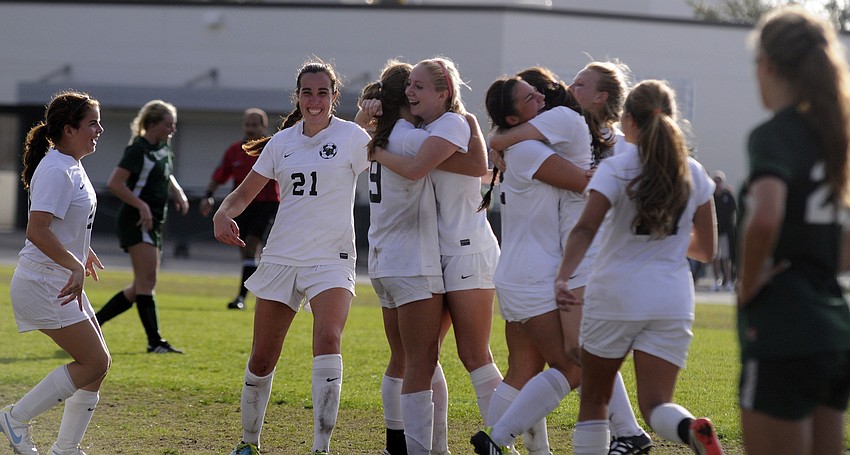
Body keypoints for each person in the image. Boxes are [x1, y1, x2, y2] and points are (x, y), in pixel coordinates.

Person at [484, 67, 652, 455]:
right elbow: (584, 181)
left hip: (538, 268)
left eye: (579, 84)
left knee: (527, 369)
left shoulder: (558, 135)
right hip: (545, 270)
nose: (555, 93)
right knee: (579, 363)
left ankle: (508, 443)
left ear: (602, 98)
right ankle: (625, 432)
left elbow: (503, 138)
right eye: (532, 97)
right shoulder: (552, 129)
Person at [554, 80, 722, 455]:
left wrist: (564, 275)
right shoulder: (694, 172)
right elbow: (708, 251)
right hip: (672, 298)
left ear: (628, 120)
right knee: (656, 404)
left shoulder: (617, 168)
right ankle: (691, 428)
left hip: (616, 293)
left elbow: (585, 228)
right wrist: (671, 240)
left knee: (594, 398)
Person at [213, 59, 371, 455]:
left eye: (322, 93)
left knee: (329, 338)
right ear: (297, 96)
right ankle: (249, 443)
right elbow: (244, 194)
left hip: (331, 259)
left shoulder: (353, 137)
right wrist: (222, 212)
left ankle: (321, 447)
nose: (314, 100)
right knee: (262, 357)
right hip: (282, 257)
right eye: (307, 92)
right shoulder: (282, 143)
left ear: (335, 97)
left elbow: (393, 167)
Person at [371, 57, 501, 455]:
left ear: (443, 93)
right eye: (408, 86)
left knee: (460, 356)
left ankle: (507, 441)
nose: (413, 92)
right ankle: (424, 448)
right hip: (426, 256)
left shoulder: (429, 129)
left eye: (420, 86)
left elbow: (479, 166)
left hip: (454, 251)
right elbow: (475, 165)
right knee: (421, 360)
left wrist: (373, 144)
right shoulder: (415, 132)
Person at [738, 7, 850, 455]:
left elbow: (766, 215)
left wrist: (747, 284)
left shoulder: (775, 134)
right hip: (834, 329)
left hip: (784, 330)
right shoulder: (834, 133)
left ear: (767, 63)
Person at [1, 91, 110, 455]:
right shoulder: (56, 168)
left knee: (96, 368)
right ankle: (15, 418)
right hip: (42, 282)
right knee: (95, 361)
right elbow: (37, 230)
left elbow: (64, 224)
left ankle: (66, 448)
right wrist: (74, 262)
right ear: (69, 129)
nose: (100, 129)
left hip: (58, 279)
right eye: (92, 122)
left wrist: (83, 250)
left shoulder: (71, 164)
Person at [95, 100, 188, 354]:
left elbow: (166, 173)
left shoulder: (163, 147)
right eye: (168, 124)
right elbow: (115, 183)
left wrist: (178, 192)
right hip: (136, 220)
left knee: (141, 286)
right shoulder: (137, 149)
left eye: (174, 124)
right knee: (147, 282)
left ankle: (94, 322)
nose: (172, 129)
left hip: (154, 220)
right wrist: (142, 206)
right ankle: (155, 341)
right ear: (153, 123)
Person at [199, 108, 280, 310]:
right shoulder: (235, 151)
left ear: (264, 126)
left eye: (255, 125)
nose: (251, 129)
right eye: (248, 124)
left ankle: (243, 297)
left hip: (267, 203)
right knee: (246, 253)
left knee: (253, 244)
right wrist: (207, 196)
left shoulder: (272, 148)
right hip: (243, 206)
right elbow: (220, 175)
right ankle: (248, 295)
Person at [710, 170, 736, 292]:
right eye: (715, 181)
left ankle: (729, 281)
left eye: (719, 182)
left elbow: (733, 212)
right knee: (715, 258)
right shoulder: (711, 197)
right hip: (714, 232)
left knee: (726, 258)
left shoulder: (728, 196)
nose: (717, 184)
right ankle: (717, 281)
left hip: (725, 232)